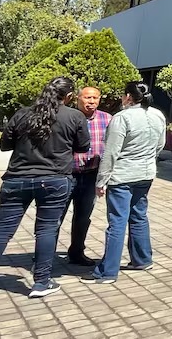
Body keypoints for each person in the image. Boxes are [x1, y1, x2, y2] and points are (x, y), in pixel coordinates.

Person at [0, 76, 90, 305]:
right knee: (45, 230)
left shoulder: (22, 114)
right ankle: (41, 283)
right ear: (70, 96)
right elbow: (82, 147)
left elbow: (5, 144)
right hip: (54, 180)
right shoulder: (74, 116)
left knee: (1, 231)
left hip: (17, 180)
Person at [92, 81, 166, 283]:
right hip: (145, 174)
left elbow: (111, 152)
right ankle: (142, 259)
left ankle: (108, 271)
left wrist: (101, 180)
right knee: (139, 216)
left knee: (117, 221)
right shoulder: (158, 115)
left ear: (128, 97)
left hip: (122, 176)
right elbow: (160, 145)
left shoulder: (121, 118)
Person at [59, 86, 110, 266]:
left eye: (95, 98)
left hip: (91, 176)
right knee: (56, 217)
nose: (91, 101)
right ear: (77, 98)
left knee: (83, 217)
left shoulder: (107, 119)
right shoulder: (67, 117)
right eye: (87, 97)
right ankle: (43, 255)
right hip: (66, 175)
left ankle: (77, 252)